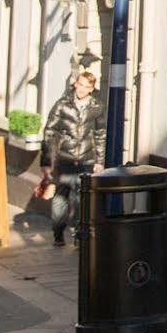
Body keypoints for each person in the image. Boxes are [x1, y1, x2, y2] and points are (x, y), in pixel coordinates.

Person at [39, 68, 106, 247]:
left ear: (92, 89)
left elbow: (100, 134)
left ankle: (79, 234)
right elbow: (49, 132)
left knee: (81, 198)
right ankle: (58, 233)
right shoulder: (62, 104)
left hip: (86, 159)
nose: (82, 89)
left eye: (86, 86)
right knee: (61, 197)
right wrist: (47, 161)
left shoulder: (97, 107)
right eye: (80, 85)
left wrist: (99, 161)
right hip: (64, 158)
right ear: (75, 84)